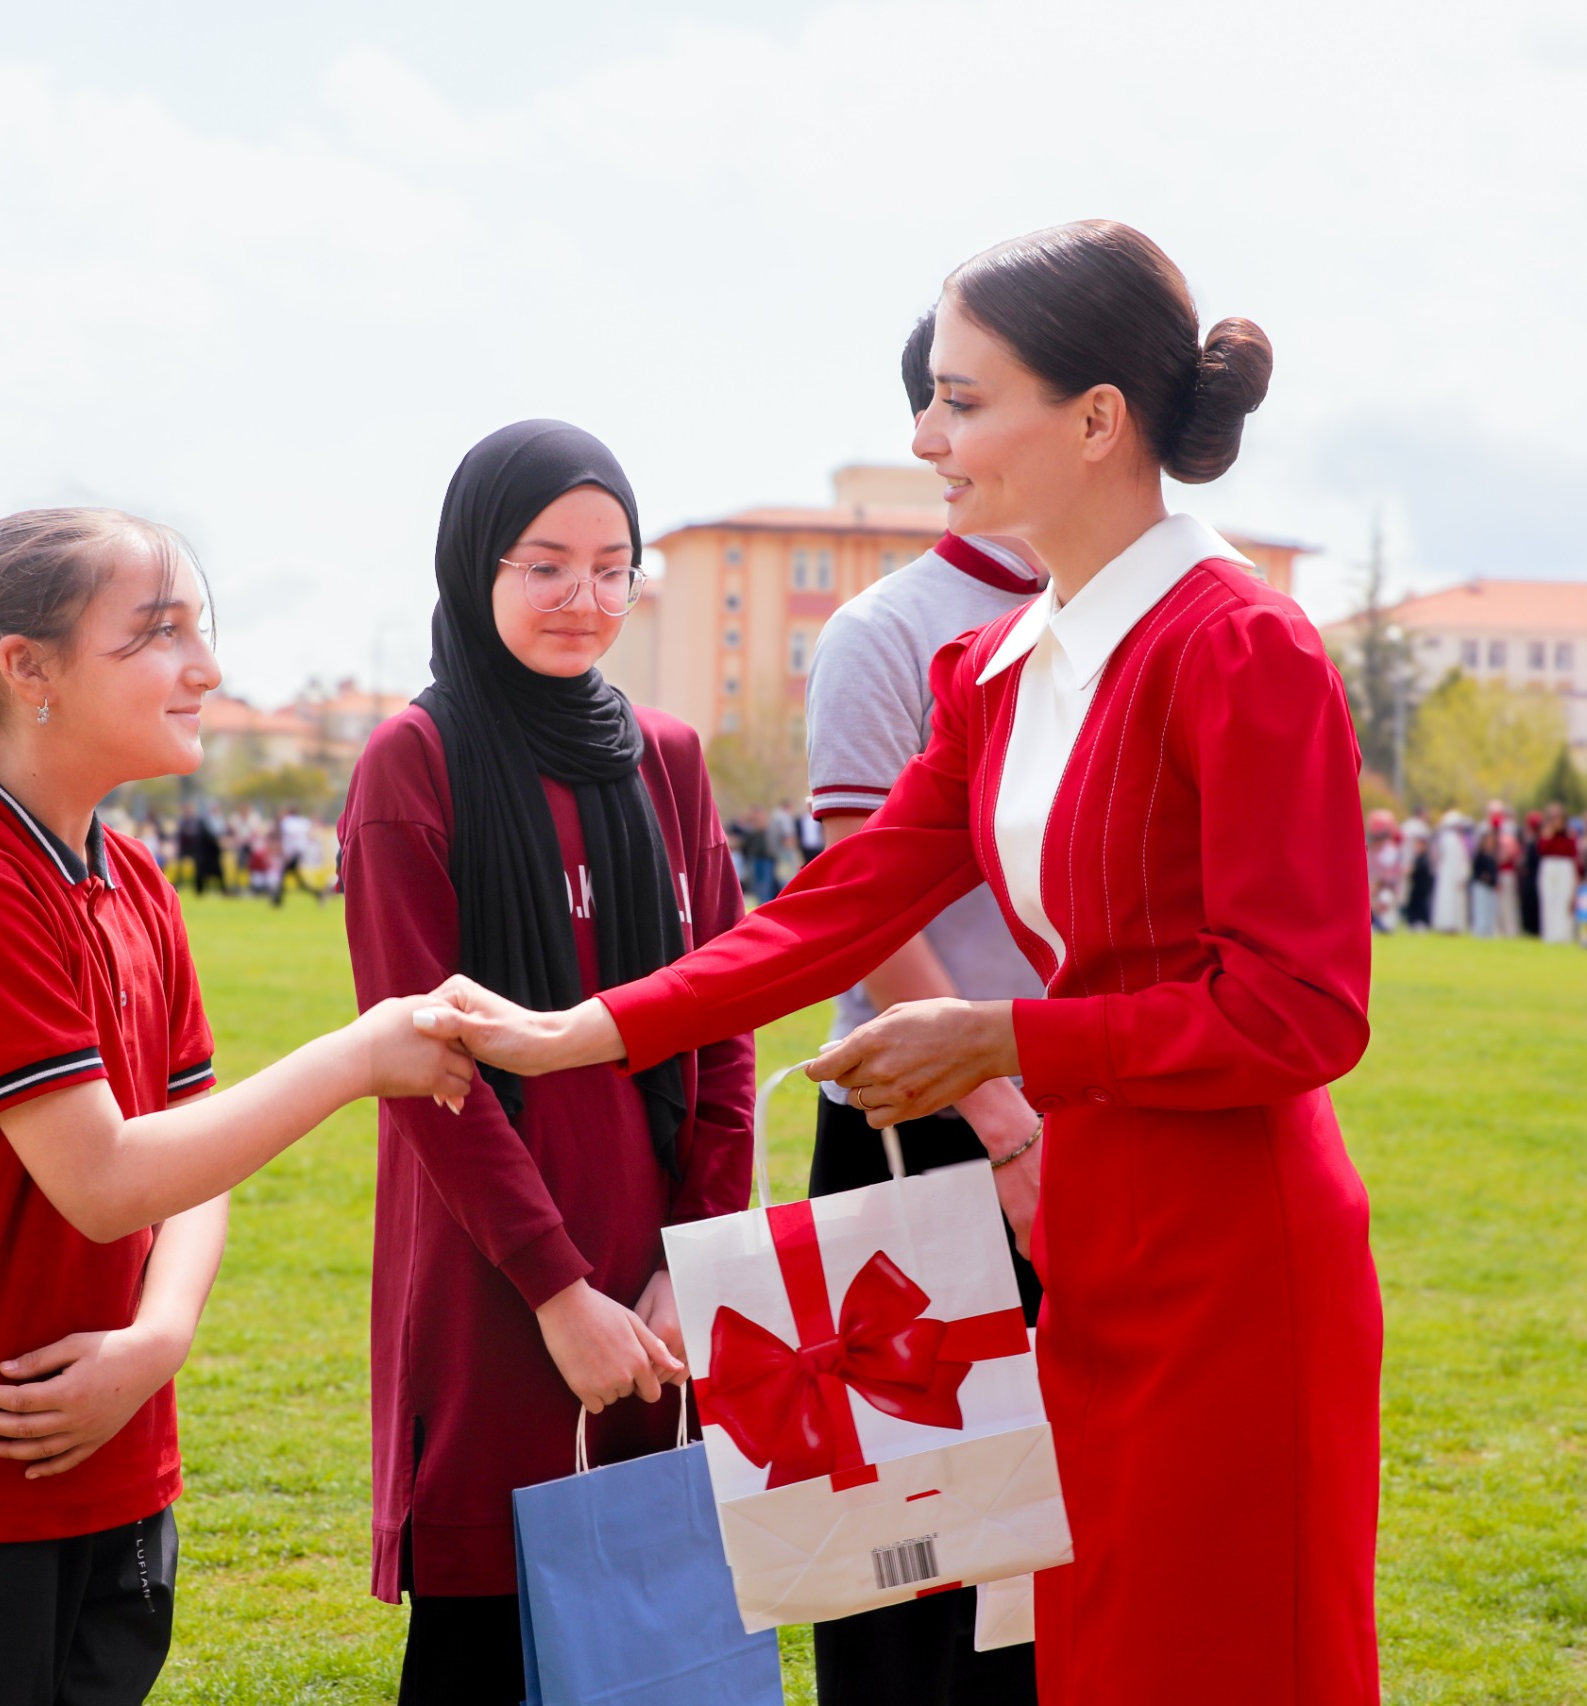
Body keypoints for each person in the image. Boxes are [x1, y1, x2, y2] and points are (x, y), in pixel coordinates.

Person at [418, 222, 1382, 1706]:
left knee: (1227, 1659)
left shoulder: (1243, 644)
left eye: (962, 399)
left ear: (1097, 421)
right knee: (1096, 1662)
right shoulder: (998, 666)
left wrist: (1007, 1043)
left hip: (1236, 1260)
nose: (926, 433)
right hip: (1094, 1234)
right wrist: (583, 1031)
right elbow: (835, 908)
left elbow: (1304, 1012)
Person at [0, 509, 472, 1706]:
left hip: (111, 1466)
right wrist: (356, 1055)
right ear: (26, 670)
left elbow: (187, 1159)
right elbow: (102, 1180)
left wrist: (156, 1342)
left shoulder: (134, 876)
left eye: (199, 630)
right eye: (156, 634)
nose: (203, 667)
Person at [337, 421, 754, 1705]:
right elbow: (428, 1074)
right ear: (477, 569)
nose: (586, 598)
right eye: (545, 566)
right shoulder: (414, 763)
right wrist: (558, 1291)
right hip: (489, 1270)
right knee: (484, 1630)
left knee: (654, 1628)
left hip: (659, 1271)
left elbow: (723, 1014)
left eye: (613, 566)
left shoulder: (667, 759)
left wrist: (695, 1260)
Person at [795, 310, 1049, 1704]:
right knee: (909, 1563)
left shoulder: (1131, 617)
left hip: (1094, 1112)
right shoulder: (885, 632)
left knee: (1065, 1556)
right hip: (921, 1136)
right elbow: (864, 903)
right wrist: (1003, 1129)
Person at [1535, 805, 1579, 943]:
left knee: (1563, 900)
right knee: (1549, 899)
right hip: (1549, 867)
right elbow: (1541, 851)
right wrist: (1547, 836)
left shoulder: (1570, 836)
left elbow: (1573, 854)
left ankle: (1563, 934)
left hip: (1564, 868)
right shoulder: (1546, 834)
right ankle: (1550, 934)